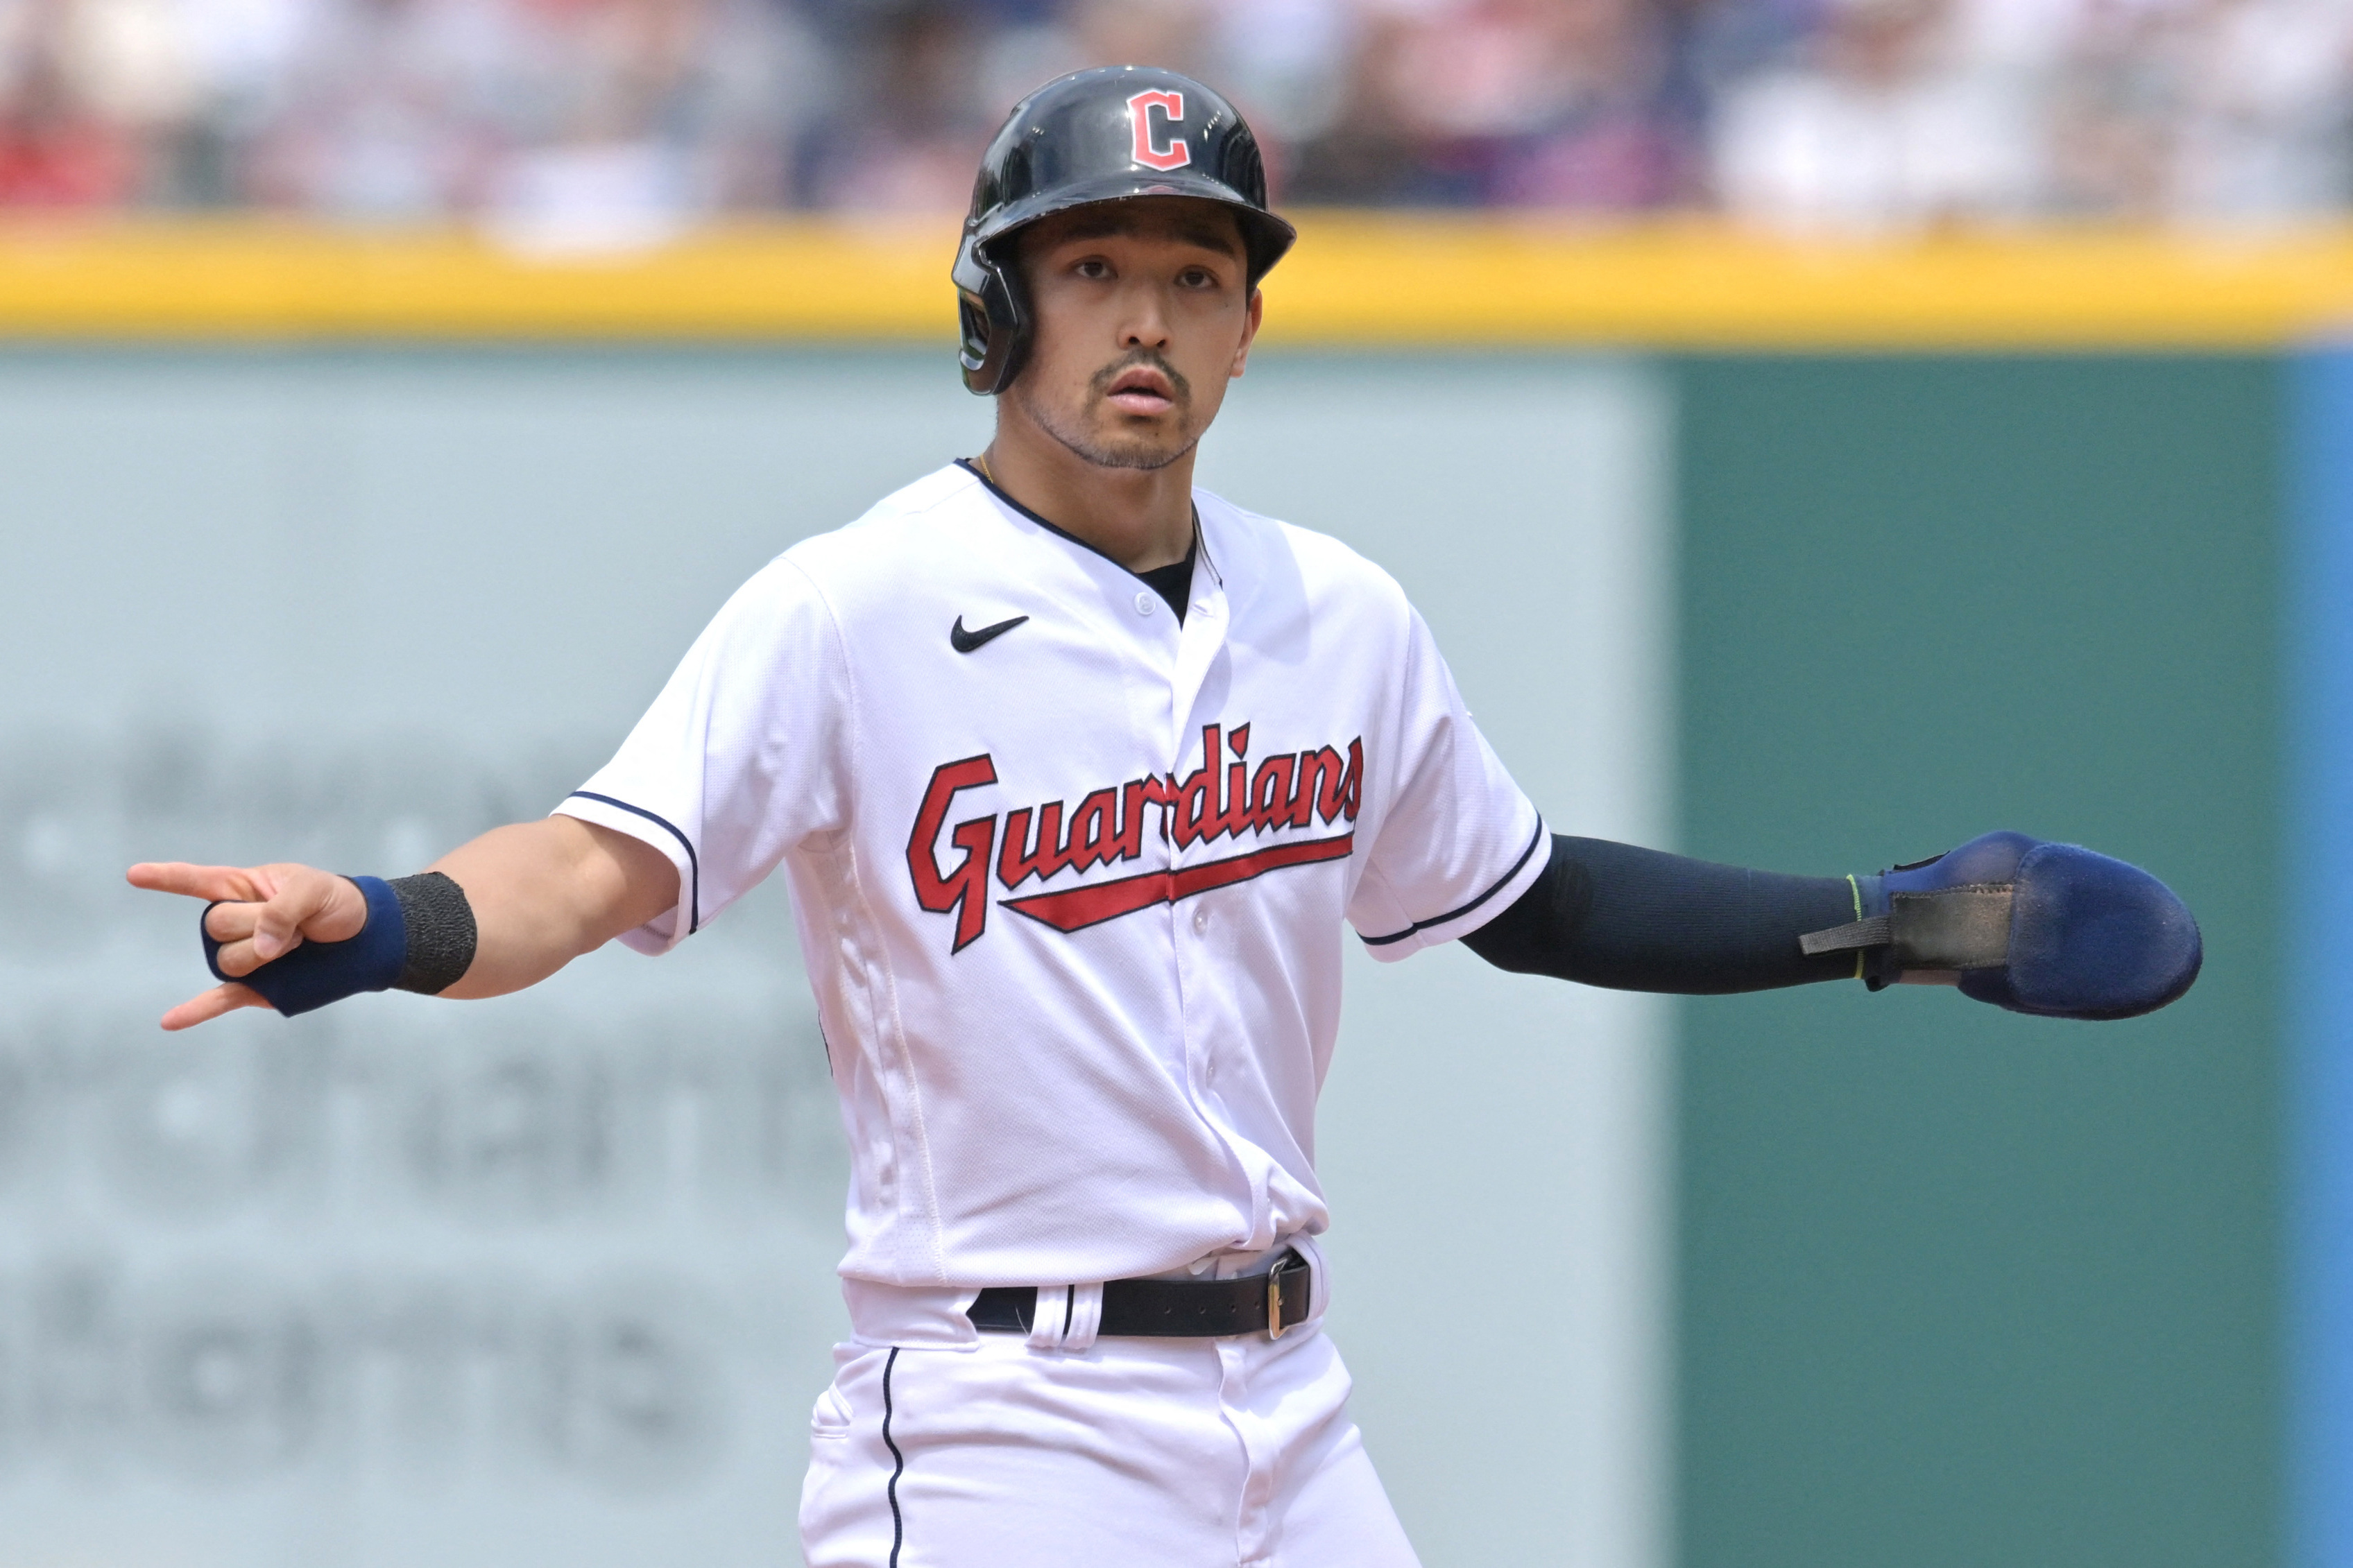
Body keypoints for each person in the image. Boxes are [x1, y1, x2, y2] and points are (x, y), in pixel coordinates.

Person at [126, 67, 2201, 1568]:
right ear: (995, 309)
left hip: (1292, 1417)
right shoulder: (854, 606)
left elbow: (1529, 893)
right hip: (1007, 1421)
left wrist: (1889, 924)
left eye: (1195, 277)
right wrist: (387, 921)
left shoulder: (1338, 616)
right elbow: (594, 867)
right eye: (1093, 266)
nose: (1146, 318)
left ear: (1248, 324)